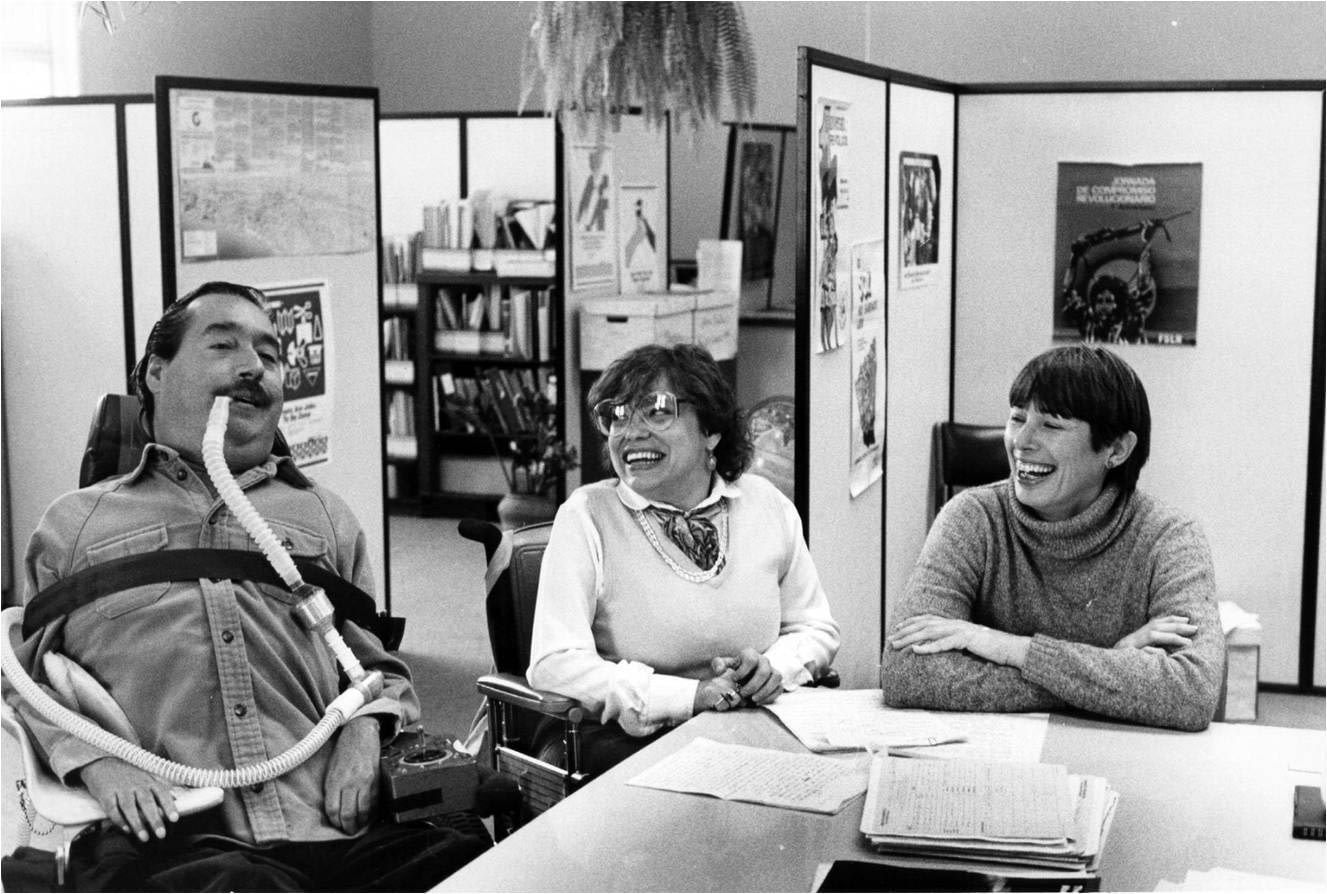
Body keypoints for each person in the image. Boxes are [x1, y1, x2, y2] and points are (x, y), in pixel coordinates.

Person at [7, 282, 489, 890]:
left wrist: (365, 732)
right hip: (182, 833)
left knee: (480, 863)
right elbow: (22, 682)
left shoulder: (325, 517)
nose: (253, 367)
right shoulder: (74, 524)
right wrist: (99, 765)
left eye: (270, 353)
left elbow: (377, 671)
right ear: (157, 372)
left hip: (339, 821)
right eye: (224, 345)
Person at [527, 344, 840, 773]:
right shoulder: (585, 516)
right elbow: (553, 663)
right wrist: (687, 697)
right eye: (616, 415)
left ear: (710, 429)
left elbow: (815, 626)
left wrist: (774, 669)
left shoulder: (766, 504)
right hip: (631, 738)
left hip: (756, 719)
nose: (631, 432)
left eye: (656, 412)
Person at [880, 345, 1223, 731]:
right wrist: (1109, 664)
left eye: (1052, 425)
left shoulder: (1171, 538)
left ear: (1116, 449)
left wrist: (1013, 649)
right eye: (1017, 418)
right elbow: (906, 672)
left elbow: (1192, 693)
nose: (1021, 441)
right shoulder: (972, 519)